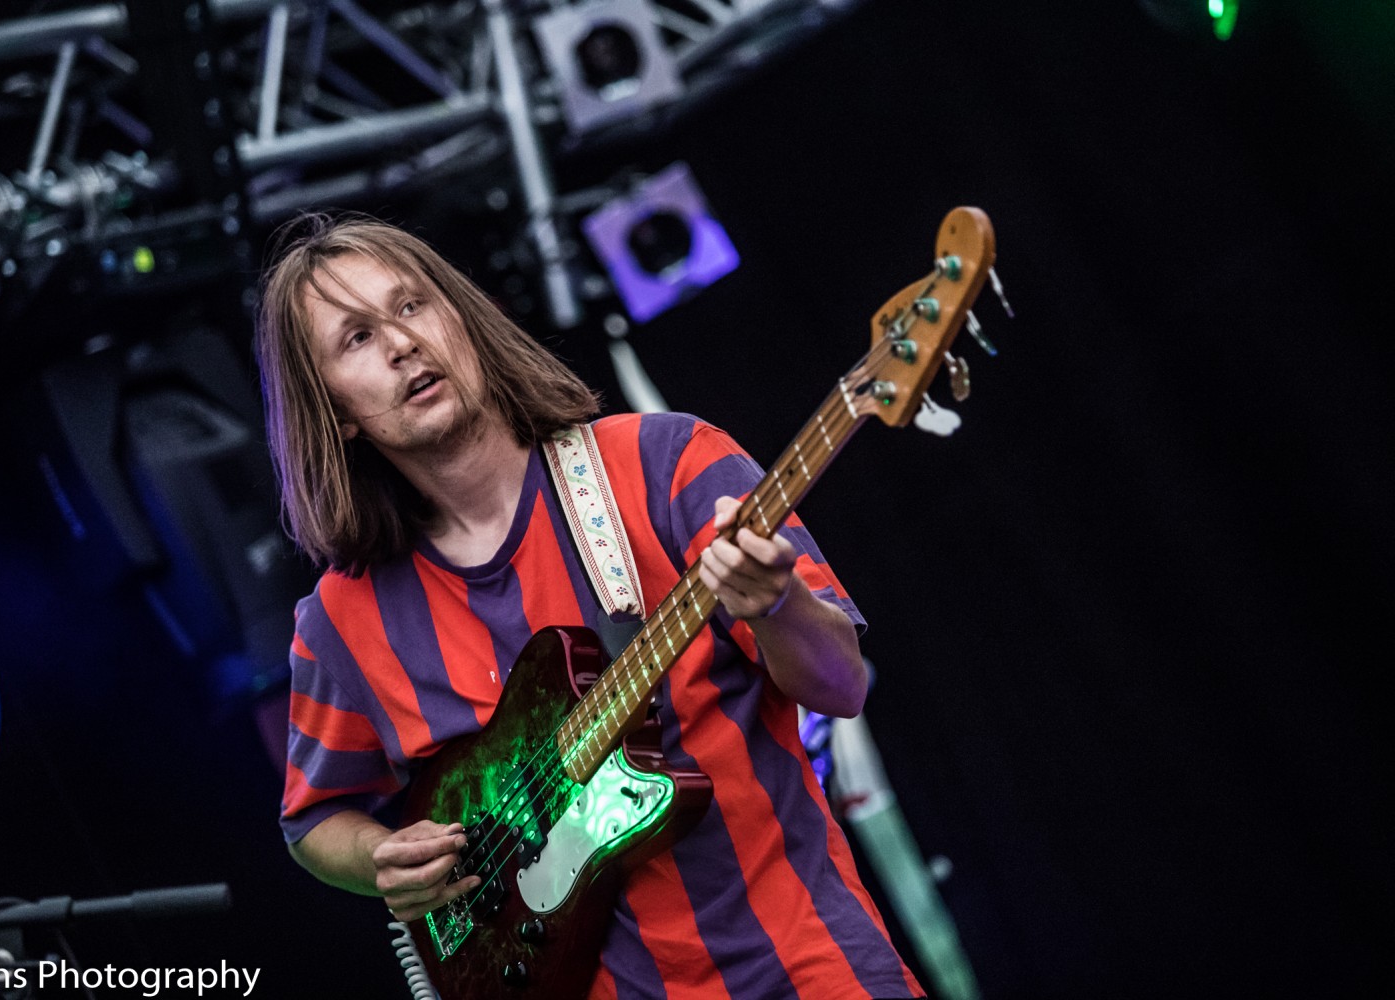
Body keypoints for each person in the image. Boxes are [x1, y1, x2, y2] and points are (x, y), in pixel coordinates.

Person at [256, 212, 922, 999]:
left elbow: (839, 687)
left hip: (813, 966)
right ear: (333, 411)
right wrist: (381, 862)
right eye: (356, 339)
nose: (402, 342)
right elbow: (311, 820)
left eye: (412, 306)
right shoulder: (342, 622)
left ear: (463, 320)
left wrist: (776, 603)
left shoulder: (666, 460)